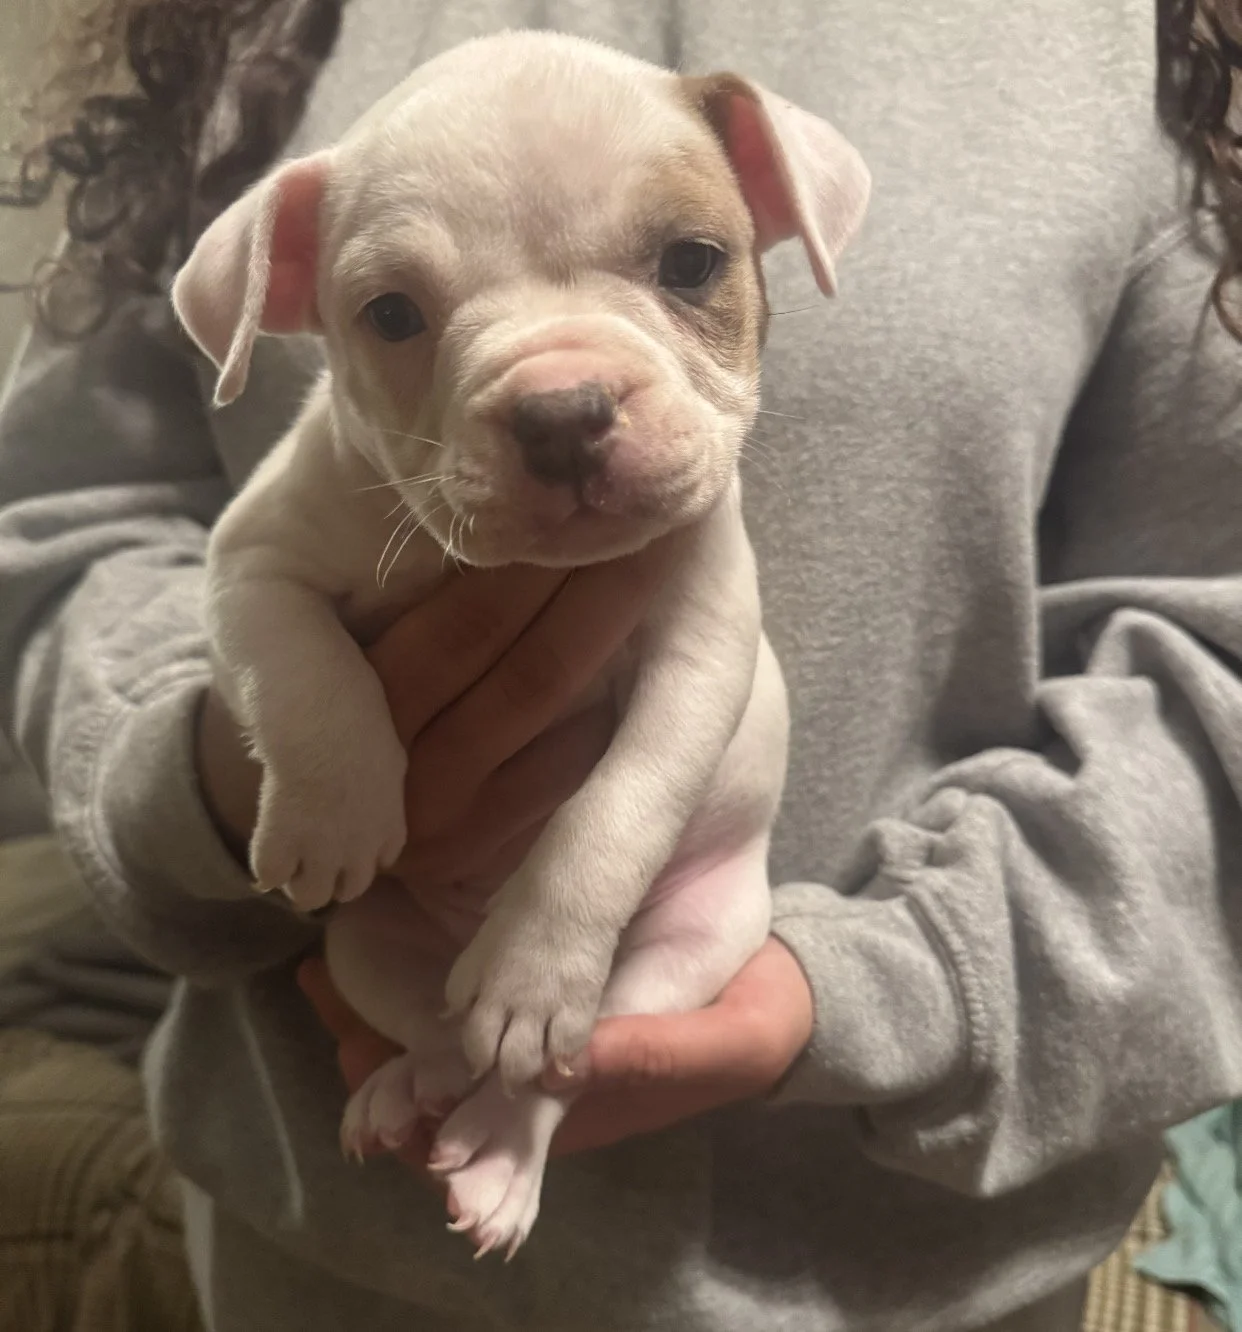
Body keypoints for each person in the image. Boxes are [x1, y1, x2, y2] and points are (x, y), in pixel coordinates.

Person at [2, 0, 1241, 1327]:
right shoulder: (246, 41)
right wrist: (222, 770)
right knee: (393, 970)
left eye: (688, 262)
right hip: (331, 1245)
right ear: (296, 298)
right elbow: (75, 519)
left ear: (779, 213)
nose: (558, 396)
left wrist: (891, 984)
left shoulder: (1118, 37)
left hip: (909, 1261)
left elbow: (1203, 643)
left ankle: (507, 1106)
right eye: (402, 310)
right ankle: (455, 1082)